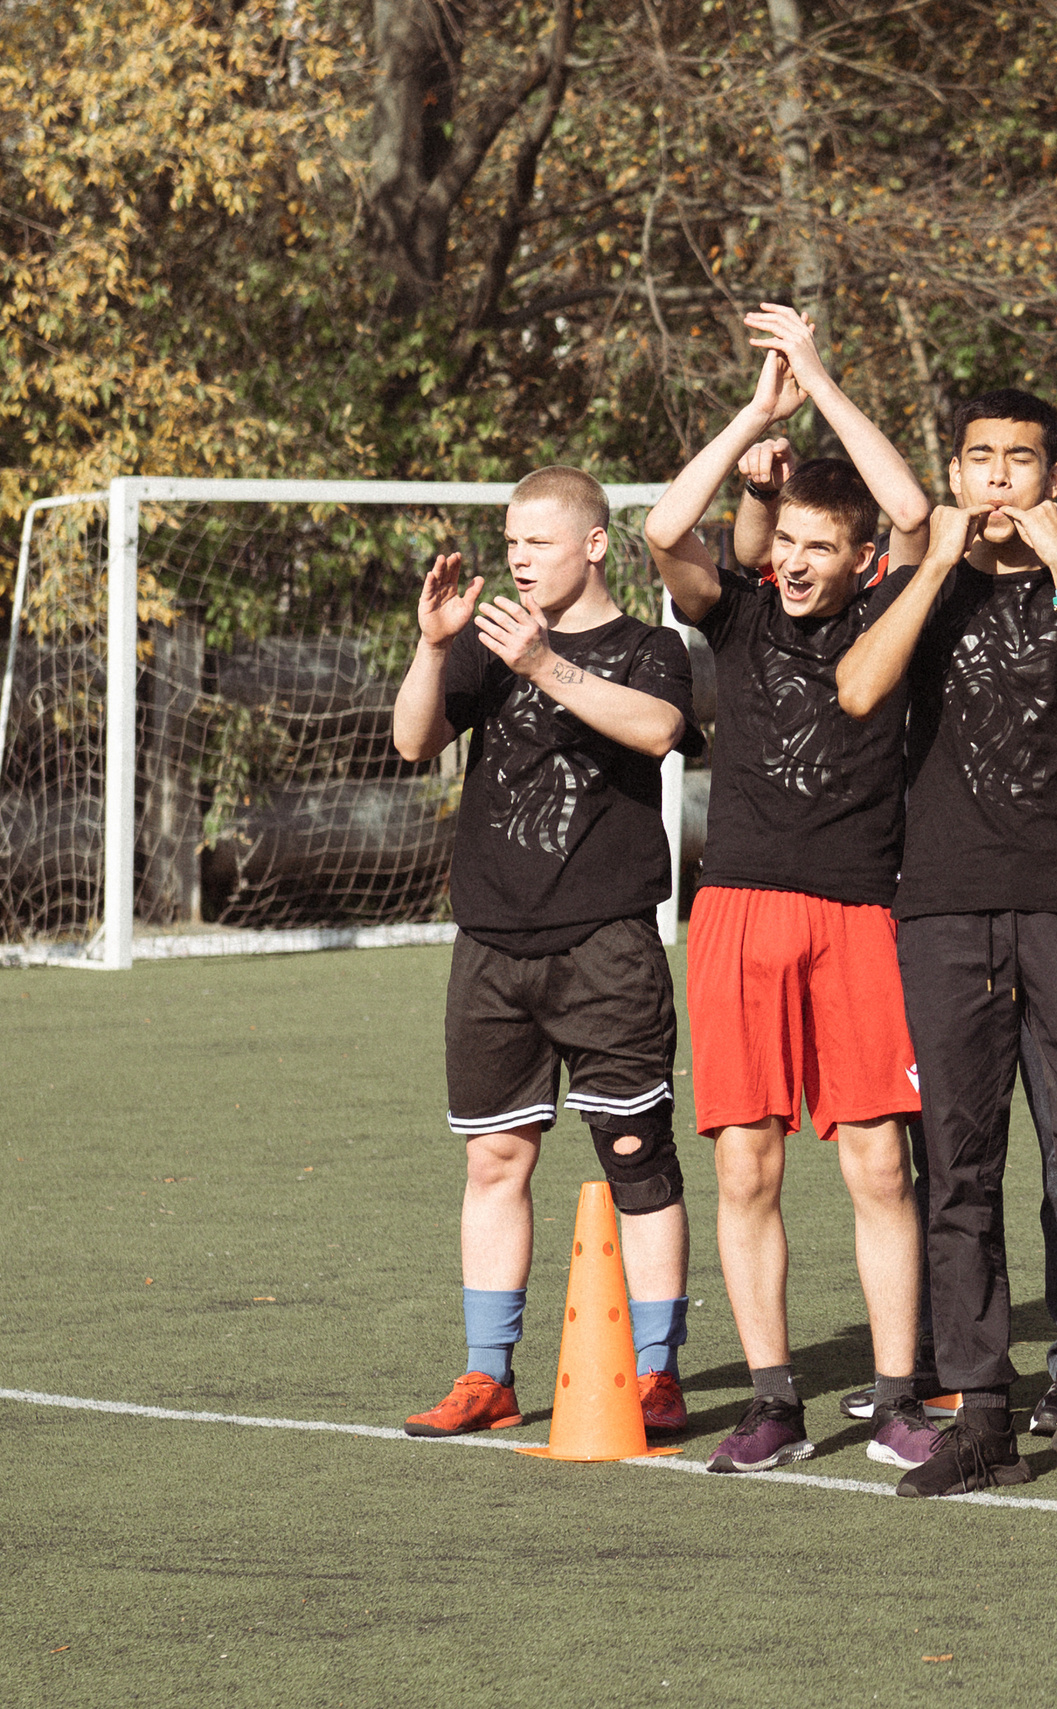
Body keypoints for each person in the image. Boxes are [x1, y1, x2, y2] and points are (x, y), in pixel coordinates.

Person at [837, 387, 1057, 1497]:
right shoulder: (924, 579)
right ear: (957, 468)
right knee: (960, 1162)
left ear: (1042, 473)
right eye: (980, 459)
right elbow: (858, 688)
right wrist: (934, 558)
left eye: (1019, 460)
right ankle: (979, 1405)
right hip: (943, 905)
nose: (998, 479)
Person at [640, 309, 939, 1475]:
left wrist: (817, 370)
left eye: (825, 544)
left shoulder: (886, 606)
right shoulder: (741, 610)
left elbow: (914, 512)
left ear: (859, 559)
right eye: (791, 543)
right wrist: (759, 414)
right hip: (740, 911)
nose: (802, 561)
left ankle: (900, 1395)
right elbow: (666, 525)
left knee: (875, 1162)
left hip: (861, 912)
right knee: (746, 1164)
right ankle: (772, 1400)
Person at [391, 466, 700, 1441]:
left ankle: (655, 1372)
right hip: (490, 944)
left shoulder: (651, 648)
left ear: (595, 543)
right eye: (511, 542)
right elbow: (411, 741)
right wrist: (434, 645)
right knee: (494, 1158)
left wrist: (540, 665)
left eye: (539, 540)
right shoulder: (490, 640)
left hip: (606, 942)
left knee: (635, 1155)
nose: (519, 558)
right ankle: (489, 1373)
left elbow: (657, 730)